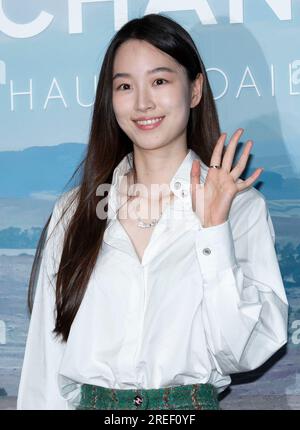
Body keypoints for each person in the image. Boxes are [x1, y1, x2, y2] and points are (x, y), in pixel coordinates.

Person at [17, 13, 288, 410]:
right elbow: (46, 365)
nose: (143, 102)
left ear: (194, 89)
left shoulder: (241, 209)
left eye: (160, 81)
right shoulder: (73, 212)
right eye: (125, 86)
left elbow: (241, 351)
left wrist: (213, 230)